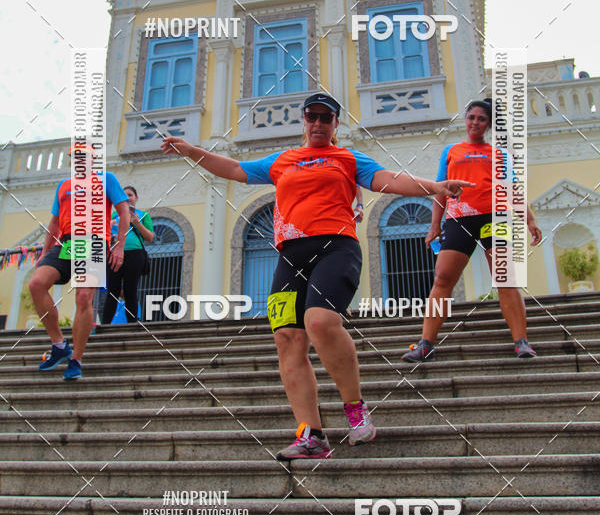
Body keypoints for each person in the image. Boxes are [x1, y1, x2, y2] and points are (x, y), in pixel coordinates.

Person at [161, 92, 473, 459]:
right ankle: (311, 434)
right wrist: (191, 150)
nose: (319, 123)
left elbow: (387, 179)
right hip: (289, 255)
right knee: (288, 339)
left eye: (327, 118)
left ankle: (355, 412)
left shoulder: (348, 158)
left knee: (320, 322)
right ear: (304, 120)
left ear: (336, 124)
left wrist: (434, 187)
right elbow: (234, 169)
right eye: (313, 116)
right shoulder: (283, 160)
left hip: (336, 248)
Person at [402, 98, 542, 363]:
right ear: (465, 120)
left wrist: (529, 220)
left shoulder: (500, 155)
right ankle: (425, 344)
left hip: (494, 218)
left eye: (481, 119)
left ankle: (521, 342)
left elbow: (512, 190)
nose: (475, 122)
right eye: (471, 117)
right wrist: (434, 226)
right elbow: (441, 190)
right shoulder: (451, 151)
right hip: (459, 219)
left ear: (488, 124)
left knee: (506, 280)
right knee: (442, 280)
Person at [30, 147, 129, 380]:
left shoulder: (106, 179)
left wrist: (120, 246)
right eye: (76, 157)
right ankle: (59, 345)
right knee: (36, 284)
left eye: (85, 156)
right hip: (66, 244)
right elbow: (54, 224)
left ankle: (76, 359)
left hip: (93, 243)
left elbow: (123, 212)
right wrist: (44, 253)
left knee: (84, 297)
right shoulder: (64, 185)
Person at [101, 185, 154, 325]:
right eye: (124, 195)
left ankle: (132, 324)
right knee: (113, 290)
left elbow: (150, 237)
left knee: (131, 290)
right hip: (114, 253)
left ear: (136, 197)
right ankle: (105, 324)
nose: (128, 198)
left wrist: (136, 222)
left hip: (135, 255)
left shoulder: (143, 215)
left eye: (130, 195)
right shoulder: (113, 215)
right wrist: (110, 224)